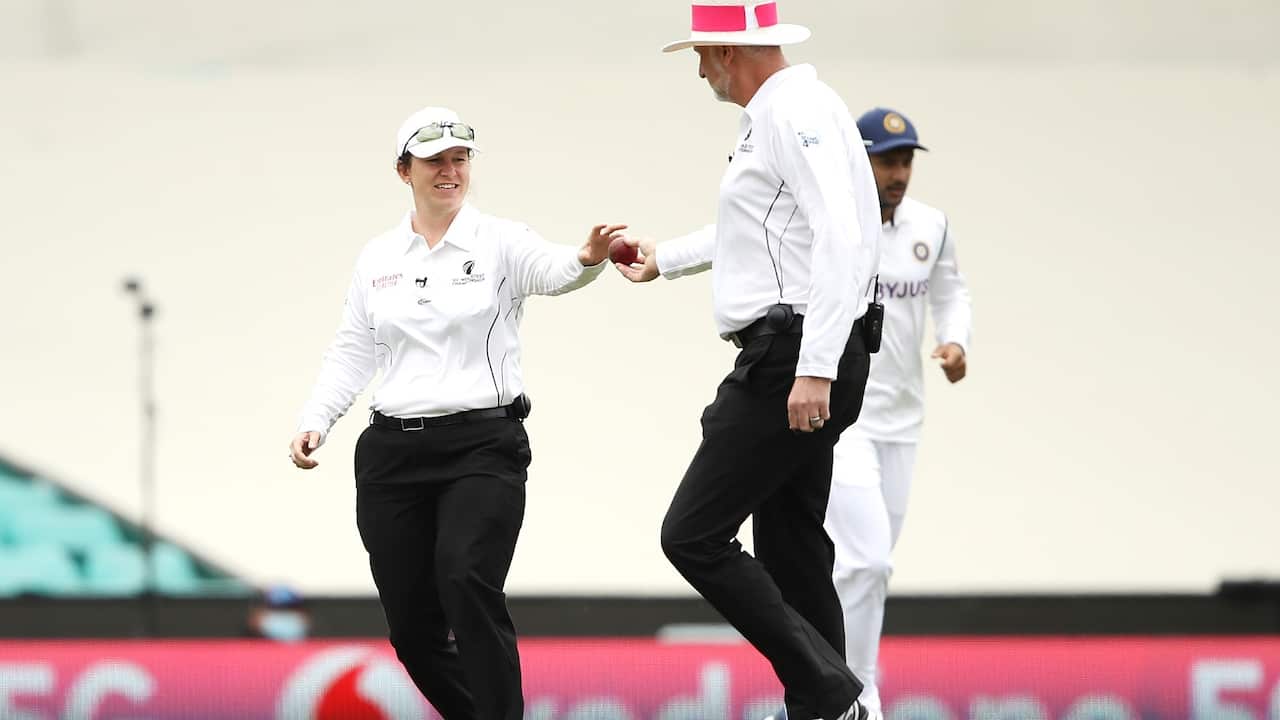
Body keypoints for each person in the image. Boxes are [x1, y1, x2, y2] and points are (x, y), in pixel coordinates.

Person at [287, 106, 624, 720]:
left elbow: (553, 271)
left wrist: (587, 256)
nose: (449, 171)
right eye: (434, 161)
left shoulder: (501, 240)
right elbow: (354, 348)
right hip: (392, 455)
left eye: (459, 159)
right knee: (414, 632)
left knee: (466, 581)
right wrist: (317, 417)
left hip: (482, 446)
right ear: (403, 171)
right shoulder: (378, 257)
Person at [615, 3, 880, 718]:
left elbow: (839, 235)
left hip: (792, 356)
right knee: (793, 548)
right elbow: (758, 229)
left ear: (731, 51)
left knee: (692, 535)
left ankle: (834, 694)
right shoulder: (785, 113)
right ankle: (826, 709)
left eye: (703, 54)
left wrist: (815, 365)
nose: (700, 70)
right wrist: (663, 259)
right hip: (800, 351)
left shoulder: (793, 111)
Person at [824, 107, 973, 716]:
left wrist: (956, 340)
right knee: (868, 559)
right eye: (887, 160)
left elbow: (951, 290)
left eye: (906, 160)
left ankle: (826, 675)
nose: (899, 172)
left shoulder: (930, 226)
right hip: (845, 420)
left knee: (866, 568)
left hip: (904, 421)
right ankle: (858, 691)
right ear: (861, 161)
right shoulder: (834, 222)